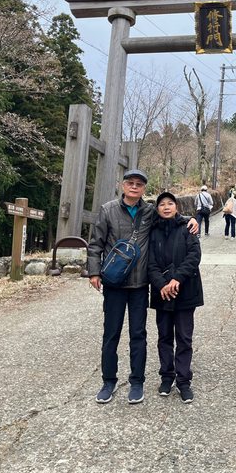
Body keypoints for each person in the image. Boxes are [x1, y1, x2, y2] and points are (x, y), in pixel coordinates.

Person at [87, 169, 198, 405]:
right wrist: (94, 271)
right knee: (111, 333)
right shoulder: (108, 210)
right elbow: (95, 243)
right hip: (114, 283)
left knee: (138, 335)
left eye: (139, 184)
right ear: (123, 185)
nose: (134, 187)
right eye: (131, 183)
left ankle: (137, 381)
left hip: (139, 284)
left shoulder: (149, 211)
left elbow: (171, 216)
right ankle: (108, 381)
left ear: (144, 189)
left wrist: (192, 219)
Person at [148, 191, 203, 404]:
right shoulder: (152, 231)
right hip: (162, 292)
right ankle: (166, 376)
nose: (166, 207)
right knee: (164, 336)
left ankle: (183, 380)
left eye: (170, 203)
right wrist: (162, 284)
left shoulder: (188, 227)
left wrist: (176, 279)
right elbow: (150, 262)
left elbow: (194, 256)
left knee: (184, 338)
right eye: (162, 204)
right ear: (157, 209)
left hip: (185, 291)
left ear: (176, 207)